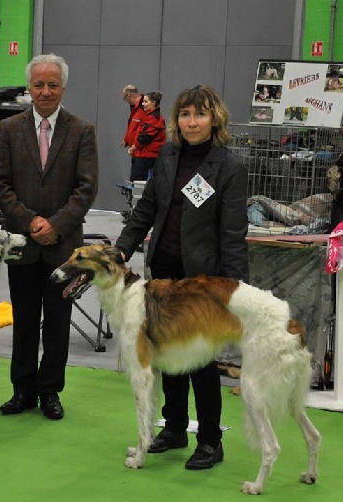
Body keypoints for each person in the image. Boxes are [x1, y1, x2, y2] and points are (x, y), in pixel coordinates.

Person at [115, 84, 249, 470]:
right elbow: (146, 210)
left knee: (201, 361)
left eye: (200, 114)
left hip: (203, 282)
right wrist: (123, 247)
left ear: (215, 119)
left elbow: (233, 233)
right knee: (165, 352)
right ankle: (173, 428)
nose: (192, 122)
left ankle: (210, 440)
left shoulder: (230, 167)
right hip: (163, 272)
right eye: (186, 114)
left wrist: (236, 289)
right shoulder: (168, 154)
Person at [0, 53, 98, 420]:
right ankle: (22, 391)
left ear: (63, 88)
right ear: (29, 88)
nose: (46, 91)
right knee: (22, 320)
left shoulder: (82, 131)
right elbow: (0, 184)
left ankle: (51, 391)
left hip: (63, 250)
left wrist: (57, 225)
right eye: (39, 84)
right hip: (22, 245)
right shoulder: (7, 129)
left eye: (53, 85)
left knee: (57, 323)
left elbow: (86, 189)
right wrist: (30, 221)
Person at [127, 91, 166, 180]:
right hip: (143, 155)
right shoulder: (150, 117)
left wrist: (133, 147)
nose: (143, 104)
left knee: (137, 183)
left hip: (146, 158)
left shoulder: (154, 118)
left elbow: (145, 137)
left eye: (145, 101)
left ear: (153, 103)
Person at [121, 84, 146, 181]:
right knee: (134, 181)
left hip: (143, 153)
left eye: (124, 98)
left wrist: (135, 145)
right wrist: (126, 139)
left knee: (137, 181)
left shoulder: (143, 107)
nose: (125, 101)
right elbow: (133, 126)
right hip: (136, 152)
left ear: (128, 95)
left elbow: (146, 131)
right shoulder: (134, 108)